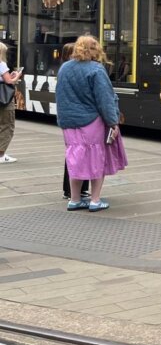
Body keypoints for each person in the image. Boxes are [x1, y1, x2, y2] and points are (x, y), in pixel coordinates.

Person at [56, 35, 127, 212]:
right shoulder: (96, 69)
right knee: (97, 158)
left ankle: (74, 199)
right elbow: (105, 100)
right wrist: (113, 122)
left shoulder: (64, 68)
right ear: (95, 50)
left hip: (68, 122)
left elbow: (60, 95)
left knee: (75, 158)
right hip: (90, 121)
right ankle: (95, 200)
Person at [58, 43, 90, 202]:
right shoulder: (68, 70)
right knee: (77, 154)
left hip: (70, 118)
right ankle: (72, 190)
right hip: (77, 118)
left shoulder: (65, 70)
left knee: (77, 153)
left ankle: (78, 189)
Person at [0, 42, 22, 164]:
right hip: (4, 100)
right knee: (7, 126)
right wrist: (17, 75)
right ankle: (1, 155)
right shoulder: (1, 64)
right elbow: (9, 82)